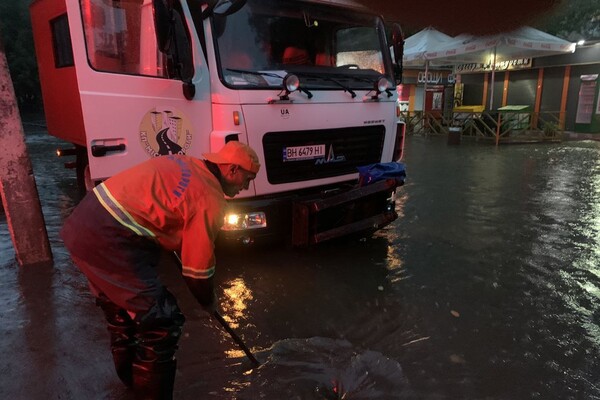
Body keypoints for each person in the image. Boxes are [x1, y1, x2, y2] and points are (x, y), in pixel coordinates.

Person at [60, 140, 260, 400]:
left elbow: (161, 210)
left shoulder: (184, 162)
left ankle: (132, 386)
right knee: (162, 320)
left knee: (121, 313)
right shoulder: (209, 197)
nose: (246, 186)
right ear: (232, 170)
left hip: (83, 223)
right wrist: (208, 302)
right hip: (110, 236)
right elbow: (197, 273)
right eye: (248, 178)